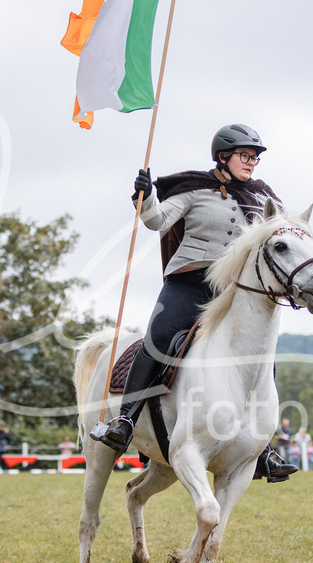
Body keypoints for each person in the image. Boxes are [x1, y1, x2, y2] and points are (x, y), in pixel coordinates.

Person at [90, 124, 296, 483]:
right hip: (189, 284)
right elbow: (157, 220)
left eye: (254, 158)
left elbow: (280, 234)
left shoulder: (265, 198)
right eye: (244, 156)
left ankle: (262, 446)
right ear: (223, 156)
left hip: (235, 293)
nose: (251, 163)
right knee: (157, 338)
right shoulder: (195, 190)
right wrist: (146, 196)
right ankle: (124, 419)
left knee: (262, 356)